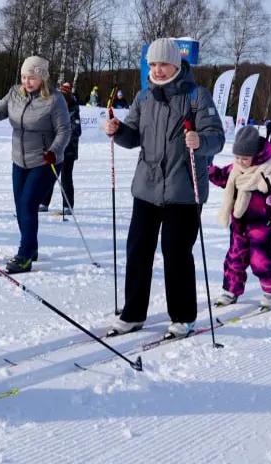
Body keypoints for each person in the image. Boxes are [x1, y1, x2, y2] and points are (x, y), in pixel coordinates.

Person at [103, 38, 224, 339]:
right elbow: (132, 137)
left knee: (176, 252)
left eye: (163, 64)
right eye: (153, 64)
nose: (157, 70)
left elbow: (217, 138)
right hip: (146, 188)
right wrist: (118, 131)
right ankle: (133, 313)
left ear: (177, 64)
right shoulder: (144, 98)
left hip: (184, 191)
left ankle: (183, 317)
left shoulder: (197, 96)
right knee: (138, 250)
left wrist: (200, 141)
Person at [0, 55, 71, 273]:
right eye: (24, 77)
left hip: (45, 160)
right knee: (20, 208)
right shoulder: (15, 93)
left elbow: (64, 131)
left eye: (32, 78)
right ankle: (32, 246)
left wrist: (54, 152)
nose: (27, 82)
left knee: (28, 204)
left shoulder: (55, 100)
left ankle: (25, 254)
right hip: (19, 159)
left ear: (43, 78)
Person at [209, 128, 271, 310]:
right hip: (239, 224)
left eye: (245, 158)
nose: (240, 162)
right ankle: (231, 290)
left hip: (262, 225)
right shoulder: (235, 169)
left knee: (260, 260)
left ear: (256, 156)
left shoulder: (268, 171)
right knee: (235, 258)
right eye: (237, 157)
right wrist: (210, 171)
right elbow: (221, 177)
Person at [42, 82, 82, 216]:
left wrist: (64, 137)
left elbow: (77, 130)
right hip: (55, 149)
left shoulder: (73, 109)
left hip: (69, 150)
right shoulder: (55, 107)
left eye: (64, 95)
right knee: (50, 176)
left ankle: (67, 205)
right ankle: (43, 202)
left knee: (65, 176)